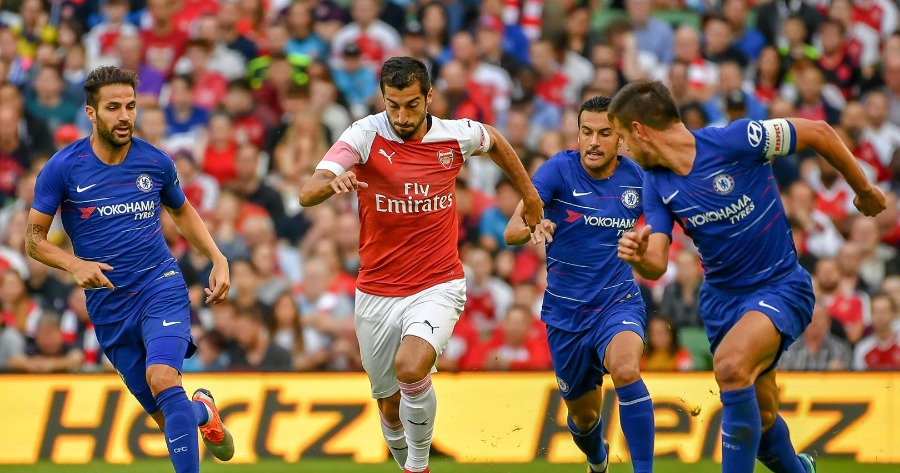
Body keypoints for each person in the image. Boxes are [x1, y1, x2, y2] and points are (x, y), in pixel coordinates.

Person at [611, 80, 886, 473]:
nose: (622, 148)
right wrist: (639, 258)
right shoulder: (656, 183)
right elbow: (657, 260)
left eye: (621, 137)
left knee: (730, 367)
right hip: (722, 303)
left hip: (780, 286)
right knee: (765, 415)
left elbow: (818, 132)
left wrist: (864, 189)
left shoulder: (736, 140)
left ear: (639, 130)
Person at [299, 56, 542, 473]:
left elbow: (496, 141)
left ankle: (418, 467)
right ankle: (408, 463)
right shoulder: (363, 135)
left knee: (411, 368)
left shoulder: (455, 135)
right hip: (376, 290)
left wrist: (531, 196)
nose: (401, 116)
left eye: (411, 104)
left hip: (438, 282)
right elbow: (307, 192)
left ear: (429, 97)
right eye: (392, 105)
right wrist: (330, 184)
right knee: (389, 406)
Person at [25, 66, 236, 473]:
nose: (124, 116)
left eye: (131, 106)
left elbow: (182, 211)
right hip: (109, 306)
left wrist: (217, 256)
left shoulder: (155, 161)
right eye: (113, 108)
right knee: (169, 417)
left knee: (163, 378)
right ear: (91, 113)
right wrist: (73, 264)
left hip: (160, 285)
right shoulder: (63, 168)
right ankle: (203, 413)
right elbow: (33, 240)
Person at [503, 96, 654, 473]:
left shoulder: (637, 179)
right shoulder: (558, 170)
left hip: (617, 302)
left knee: (626, 369)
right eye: (586, 132)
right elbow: (511, 230)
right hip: (566, 316)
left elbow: (663, 232)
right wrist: (534, 225)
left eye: (604, 134)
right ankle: (597, 459)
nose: (593, 142)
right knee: (584, 420)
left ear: (620, 138)